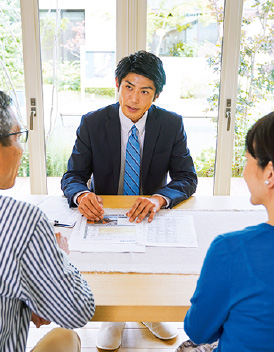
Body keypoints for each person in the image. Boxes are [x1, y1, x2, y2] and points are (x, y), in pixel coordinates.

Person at [61, 50, 197, 350]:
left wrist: (160, 199)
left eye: (144, 90)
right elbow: (72, 177)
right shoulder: (93, 122)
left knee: (151, 262)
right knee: (113, 262)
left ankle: (146, 309)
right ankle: (116, 317)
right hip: (106, 213)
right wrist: (82, 194)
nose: (133, 98)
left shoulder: (171, 124)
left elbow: (187, 177)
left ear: (156, 95)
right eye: (128, 87)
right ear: (117, 85)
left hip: (150, 213)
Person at [0, 90, 95, 352]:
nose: (21, 148)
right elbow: (76, 311)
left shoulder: (171, 123)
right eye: (17, 136)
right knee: (67, 336)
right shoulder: (22, 220)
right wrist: (58, 255)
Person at [176, 111, 274, 352]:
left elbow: (199, 331)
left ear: (269, 173)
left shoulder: (233, 251)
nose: (243, 170)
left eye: (248, 158)